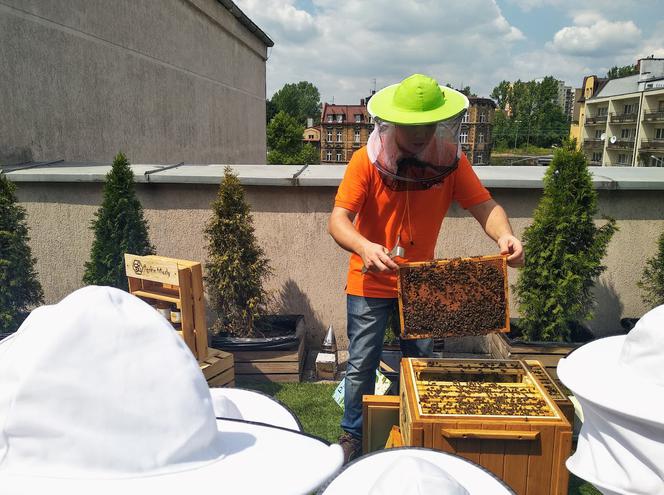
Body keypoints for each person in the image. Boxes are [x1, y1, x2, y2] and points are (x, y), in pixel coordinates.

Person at [328, 74, 524, 463]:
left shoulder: (451, 162)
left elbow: (486, 207)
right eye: (412, 127)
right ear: (392, 122)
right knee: (361, 364)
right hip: (368, 282)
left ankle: (415, 428)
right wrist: (365, 247)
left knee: (419, 366)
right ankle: (352, 434)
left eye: (427, 126)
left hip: (421, 286)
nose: (420, 135)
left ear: (441, 123)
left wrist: (505, 236)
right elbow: (338, 220)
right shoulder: (363, 162)